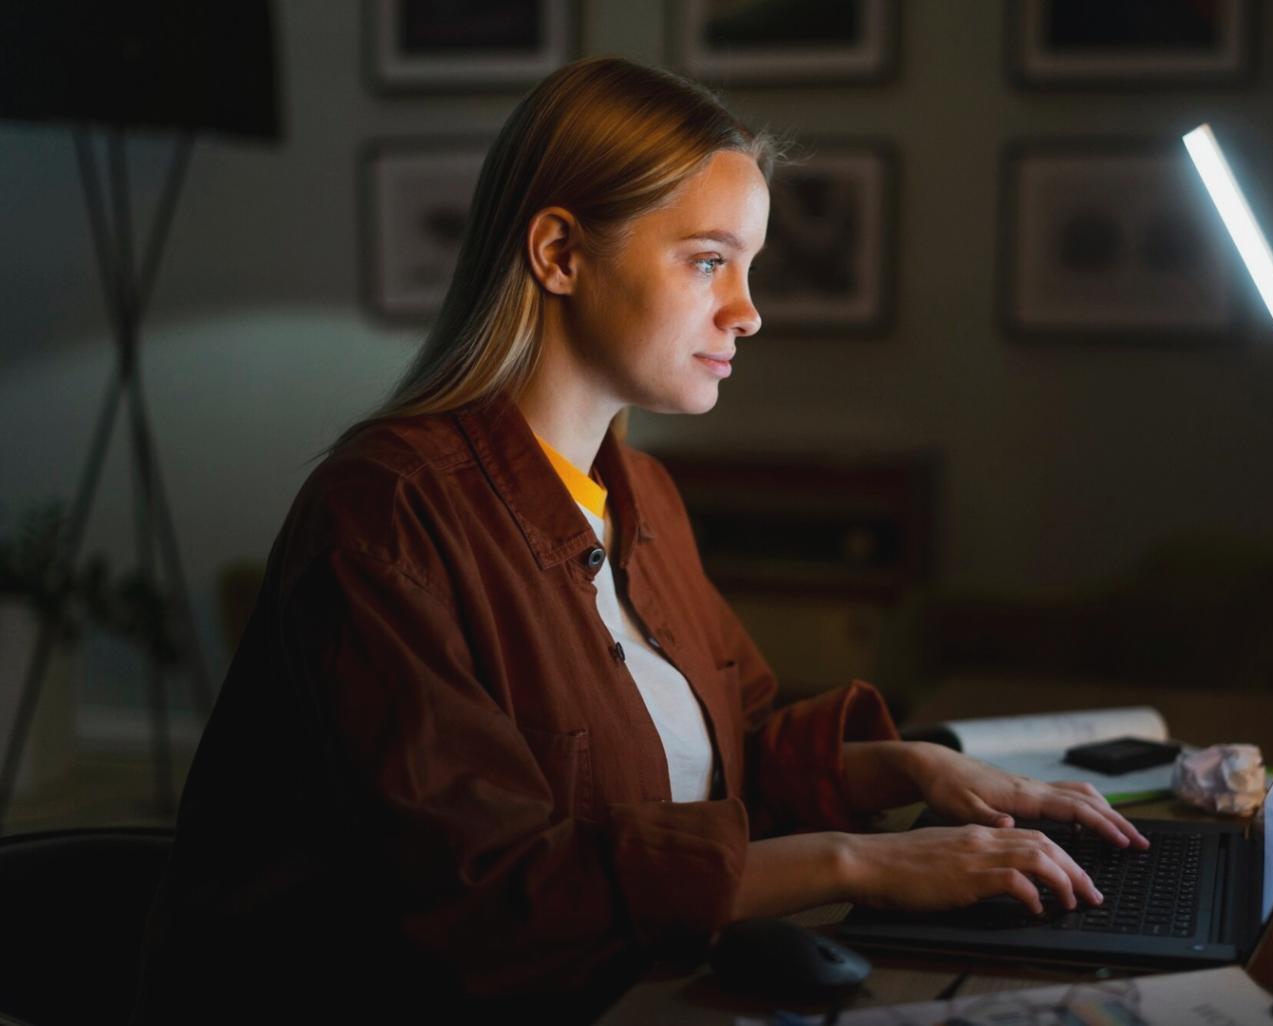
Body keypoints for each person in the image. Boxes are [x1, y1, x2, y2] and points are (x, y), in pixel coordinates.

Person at [131, 56, 1147, 1025]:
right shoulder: (385, 514)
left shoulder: (641, 493)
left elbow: (734, 749)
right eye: (708, 262)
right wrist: (857, 861)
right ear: (560, 254)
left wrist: (913, 770)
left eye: (746, 267)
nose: (746, 313)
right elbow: (490, 901)